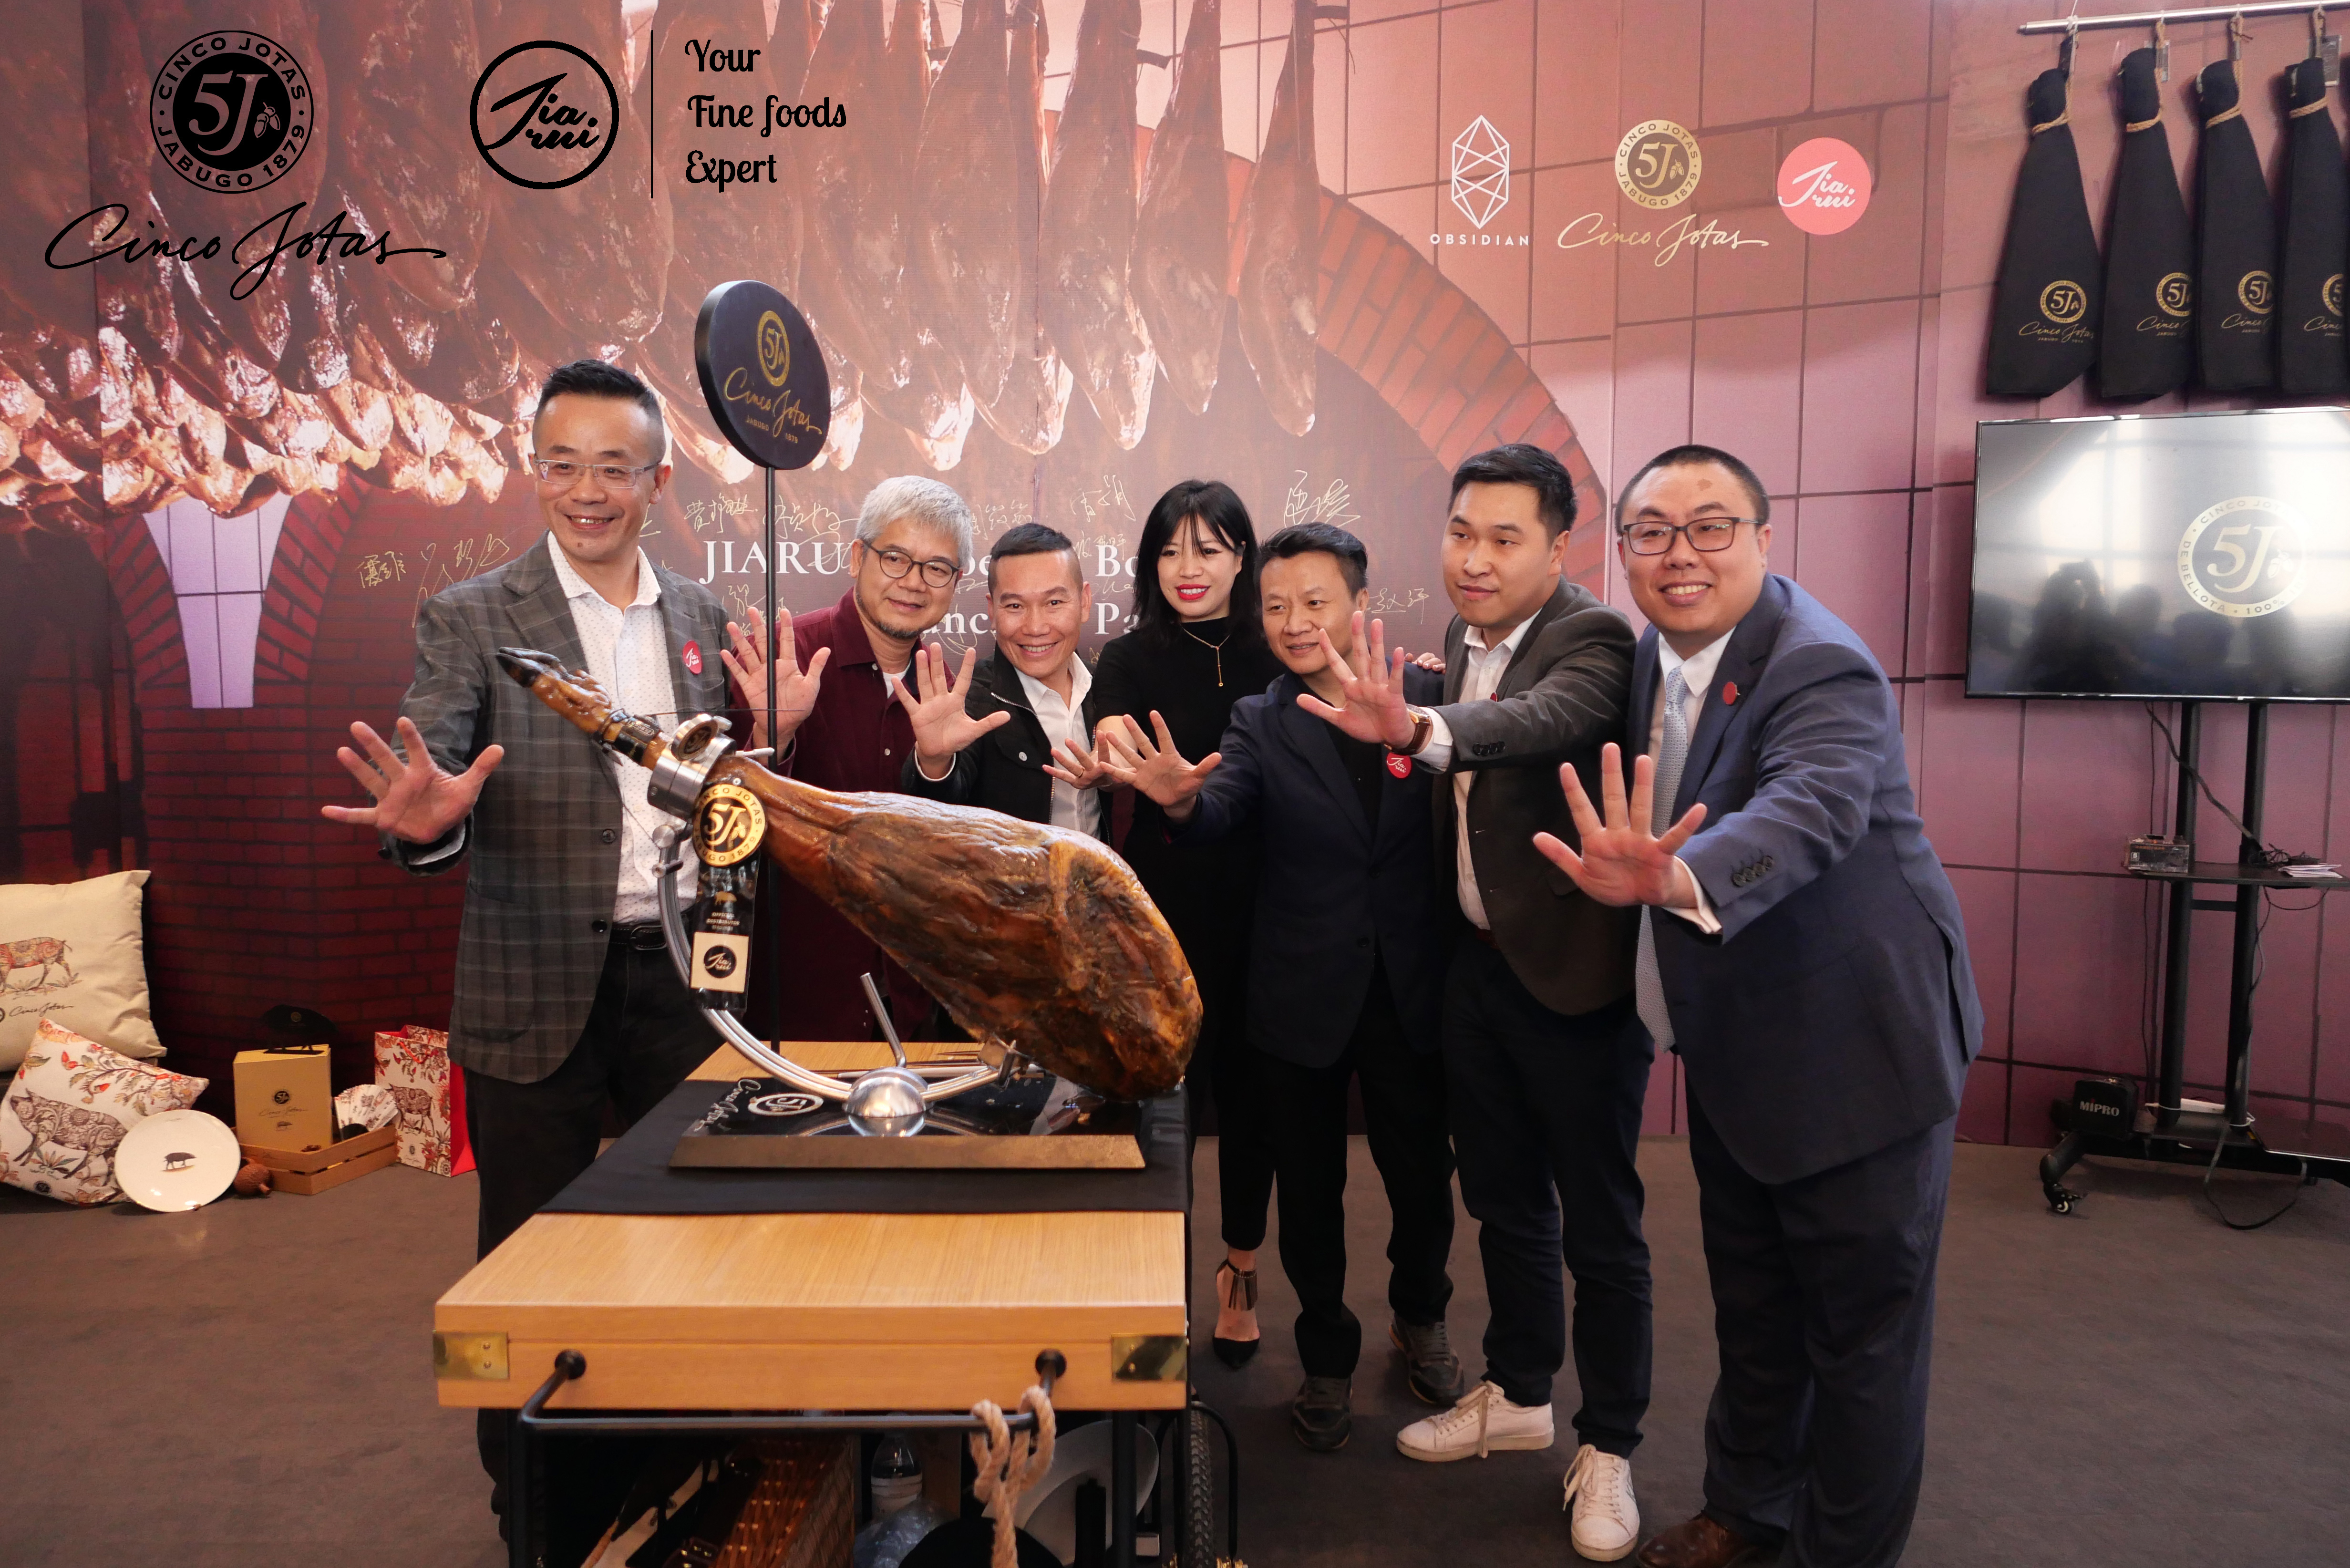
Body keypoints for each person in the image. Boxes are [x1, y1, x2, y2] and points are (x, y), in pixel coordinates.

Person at [1534, 445, 1980, 1568]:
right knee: (1756, 1306)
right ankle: (1747, 1509)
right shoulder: (1655, 654)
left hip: (1858, 1053)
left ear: (1764, 539)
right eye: (1652, 531)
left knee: (1862, 1345)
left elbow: (1810, 807)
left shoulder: (1821, 664)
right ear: (1624, 550)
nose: (1680, 554)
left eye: (1711, 526)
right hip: (1741, 1045)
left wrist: (1678, 875)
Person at [317, 359, 737, 1527]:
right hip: (533, 979)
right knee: (529, 1254)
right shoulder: (471, 614)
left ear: (657, 481)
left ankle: (677, 1470)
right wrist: (428, 822)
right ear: (534, 470)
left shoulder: (701, 617)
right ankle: (538, 1499)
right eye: (564, 465)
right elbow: (434, 770)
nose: (587, 491)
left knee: (688, 1236)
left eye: (614, 468)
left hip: (681, 980)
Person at [1304, 444, 1647, 1562]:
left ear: (1558, 547)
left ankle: (1612, 1443)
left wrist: (1419, 730)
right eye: (1461, 532)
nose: (1476, 558)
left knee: (1601, 1225)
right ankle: (1521, 1391)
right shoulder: (1460, 638)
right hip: (1480, 970)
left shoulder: (1592, 638)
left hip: (1574, 976)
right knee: (1503, 1200)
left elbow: (1541, 721)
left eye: (1505, 538)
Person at [1102, 523, 1461, 1453]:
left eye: (1314, 602)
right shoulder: (1261, 719)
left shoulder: (1426, 698)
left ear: (1360, 604)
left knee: (1422, 1181)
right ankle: (1324, 1355)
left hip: (1409, 988)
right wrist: (1182, 799)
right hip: (1300, 987)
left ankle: (1421, 1316)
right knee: (1308, 1191)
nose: (1294, 621)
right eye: (1274, 606)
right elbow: (1222, 808)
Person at [1089, 480, 1285, 1369]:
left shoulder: (1277, 649)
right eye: (1169, 551)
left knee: (1251, 1106)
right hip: (1162, 920)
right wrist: (1115, 754)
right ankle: (1154, 1292)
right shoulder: (1129, 656)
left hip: (1271, 909)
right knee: (1162, 1112)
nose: (1187, 567)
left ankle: (1239, 1272)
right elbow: (1108, 728)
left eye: (1208, 548)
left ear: (1243, 557)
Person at [722, 476, 975, 1042]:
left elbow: (942, 849)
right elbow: (729, 826)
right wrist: (773, 737)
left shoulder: (943, 685)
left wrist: (935, 765)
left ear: (955, 583)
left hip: (910, 999)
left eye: (937, 568)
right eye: (895, 559)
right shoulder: (785, 659)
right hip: (796, 1004)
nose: (914, 582)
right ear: (858, 557)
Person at [897, 523, 1109, 834]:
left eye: (1054, 603)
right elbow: (938, 811)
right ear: (993, 611)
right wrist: (934, 762)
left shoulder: (1107, 687)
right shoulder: (975, 697)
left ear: (1085, 602)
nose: (1035, 627)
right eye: (1015, 606)